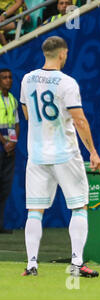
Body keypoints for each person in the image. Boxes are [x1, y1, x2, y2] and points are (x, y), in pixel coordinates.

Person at [20, 36, 100, 277]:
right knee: (79, 206)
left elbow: (26, 114)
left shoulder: (27, 79)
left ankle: (31, 265)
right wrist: (93, 151)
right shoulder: (67, 83)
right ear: (63, 53)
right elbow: (79, 120)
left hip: (36, 155)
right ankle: (77, 264)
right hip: (64, 153)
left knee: (35, 211)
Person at [0, 68, 19, 234]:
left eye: (10, 77)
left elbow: (17, 124)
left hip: (9, 146)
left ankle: (0, 225)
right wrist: (4, 142)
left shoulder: (13, 99)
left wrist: (12, 142)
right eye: (4, 77)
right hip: (1, 143)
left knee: (5, 186)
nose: (8, 80)